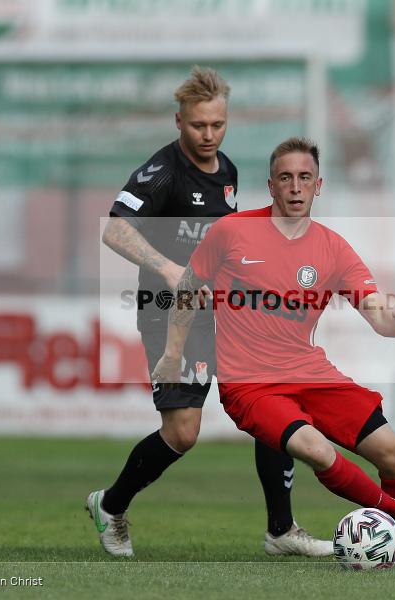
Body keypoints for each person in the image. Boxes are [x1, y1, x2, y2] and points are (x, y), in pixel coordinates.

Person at [151, 137, 395, 562]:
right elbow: (186, 291)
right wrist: (171, 355)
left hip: (311, 374)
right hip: (251, 386)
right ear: (271, 186)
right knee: (317, 450)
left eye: (305, 178)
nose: (295, 187)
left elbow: (380, 318)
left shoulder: (333, 248)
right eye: (286, 178)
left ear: (319, 186)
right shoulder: (232, 232)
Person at [88, 69, 331, 557]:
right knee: (183, 432)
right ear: (179, 121)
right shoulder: (162, 172)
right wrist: (169, 268)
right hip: (168, 313)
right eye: (199, 125)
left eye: (217, 125)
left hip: (224, 312)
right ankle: (111, 505)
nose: (208, 135)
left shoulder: (228, 172)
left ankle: (281, 530)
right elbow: (115, 230)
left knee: (271, 406)